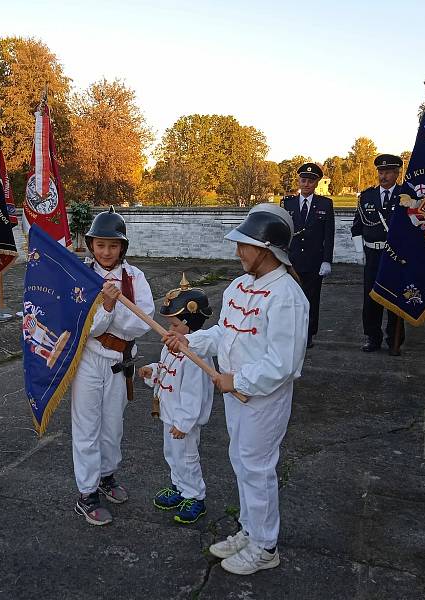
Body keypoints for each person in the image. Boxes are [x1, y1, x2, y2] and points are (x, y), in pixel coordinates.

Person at [164, 203, 308, 576]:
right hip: (237, 397)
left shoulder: (287, 295)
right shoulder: (239, 286)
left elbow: (285, 363)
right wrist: (189, 341)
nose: (238, 250)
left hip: (263, 399)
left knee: (257, 467)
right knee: (242, 462)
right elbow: (224, 334)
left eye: (245, 244)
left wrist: (236, 380)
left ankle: (265, 546)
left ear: (266, 248)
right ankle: (250, 530)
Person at [71, 207, 155, 526]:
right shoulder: (82, 277)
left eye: (113, 245)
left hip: (120, 361)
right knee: (87, 426)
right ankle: (87, 492)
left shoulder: (135, 278)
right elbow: (85, 327)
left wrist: (114, 311)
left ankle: (107, 476)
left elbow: (141, 323)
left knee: (112, 426)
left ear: (122, 247)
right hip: (89, 360)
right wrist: (107, 306)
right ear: (92, 245)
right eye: (100, 245)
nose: (106, 252)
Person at [140, 275, 214, 525]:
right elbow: (165, 367)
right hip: (168, 414)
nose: (169, 330)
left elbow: (194, 393)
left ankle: (195, 496)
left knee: (187, 457)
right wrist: (152, 371)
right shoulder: (170, 346)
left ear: (190, 323)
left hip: (184, 421)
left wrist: (184, 423)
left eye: (174, 325)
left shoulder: (195, 354)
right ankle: (180, 486)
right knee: (172, 454)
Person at [351, 154, 405, 355]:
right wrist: (359, 252)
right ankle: (372, 337)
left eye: (388, 172)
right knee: (371, 298)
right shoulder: (367, 196)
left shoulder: (405, 196)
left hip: (395, 256)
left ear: (397, 173)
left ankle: (395, 339)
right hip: (372, 254)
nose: (383, 176)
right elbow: (356, 227)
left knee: (394, 297)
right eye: (381, 172)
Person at [280, 162, 335, 348]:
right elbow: (282, 233)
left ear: (316, 183)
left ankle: (309, 334)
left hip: (314, 261)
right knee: (290, 299)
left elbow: (329, 234)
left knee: (311, 299)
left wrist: (327, 260)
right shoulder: (287, 203)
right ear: (299, 181)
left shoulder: (325, 204)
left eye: (311, 181)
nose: (306, 184)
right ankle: (290, 332)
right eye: (303, 180)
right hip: (292, 260)